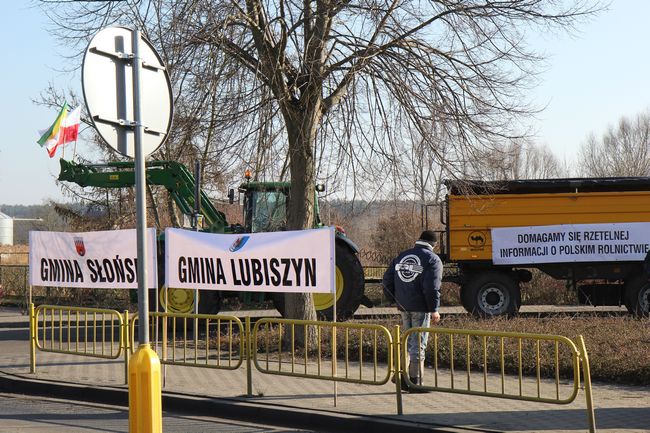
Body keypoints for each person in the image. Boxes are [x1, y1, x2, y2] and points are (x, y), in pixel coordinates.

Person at [382, 230, 442, 392]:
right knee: (419, 344)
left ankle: (401, 376)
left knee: (407, 341)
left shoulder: (402, 255)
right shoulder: (432, 259)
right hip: (421, 308)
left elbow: (386, 280)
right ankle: (415, 382)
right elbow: (431, 287)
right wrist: (434, 309)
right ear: (434, 245)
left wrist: (393, 299)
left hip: (403, 306)